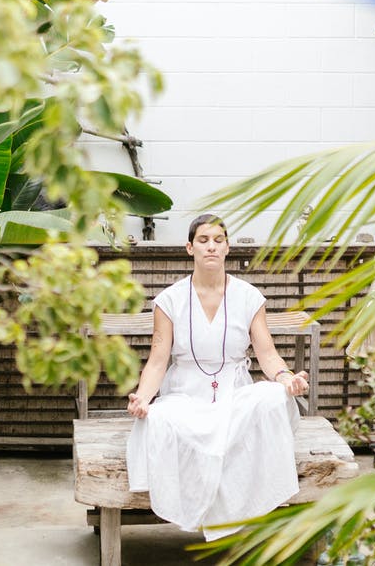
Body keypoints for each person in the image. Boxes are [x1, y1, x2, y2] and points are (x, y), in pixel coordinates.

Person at [125, 214, 311, 541]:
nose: (211, 246)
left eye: (218, 240)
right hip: (184, 397)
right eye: (203, 240)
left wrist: (286, 378)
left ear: (227, 248)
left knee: (271, 398)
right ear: (189, 248)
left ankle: (244, 507)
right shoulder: (168, 301)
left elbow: (267, 354)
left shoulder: (249, 297)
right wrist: (142, 398)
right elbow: (157, 361)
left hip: (234, 395)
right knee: (158, 420)